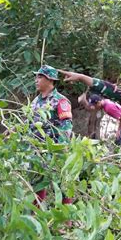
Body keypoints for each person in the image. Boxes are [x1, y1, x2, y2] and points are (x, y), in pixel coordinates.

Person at [30, 65, 73, 205]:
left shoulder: (60, 101)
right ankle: (35, 216)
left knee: (62, 184)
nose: (36, 80)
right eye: (36, 77)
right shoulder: (36, 101)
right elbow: (29, 123)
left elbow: (66, 127)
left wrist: (60, 149)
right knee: (37, 182)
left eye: (40, 77)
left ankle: (66, 221)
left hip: (55, 150)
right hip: (37, 150)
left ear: (50, 80)